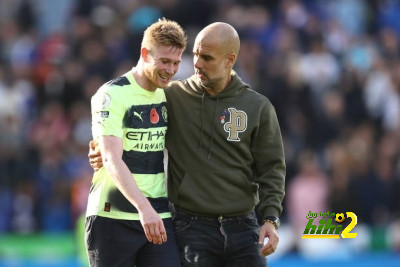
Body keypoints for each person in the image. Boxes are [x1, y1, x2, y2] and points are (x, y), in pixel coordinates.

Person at [89, 22, 286, 267]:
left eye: (207, 57)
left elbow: (272, 168)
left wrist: (270, 218)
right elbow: (123, 129)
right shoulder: (172, 96)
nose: (197, 64)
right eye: (194, 55)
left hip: (244, 226)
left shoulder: (258, 106)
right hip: (190, 226)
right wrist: (101, 150)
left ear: (230, 59)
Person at [85, 18, 187, 267]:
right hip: (113, 214)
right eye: (164, 61)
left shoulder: (172, 94)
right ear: (144, 53)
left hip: (158, 213)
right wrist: (144, 209)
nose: (171, 70)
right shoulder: (112, 93)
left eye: (176, 62)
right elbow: (109, 157)